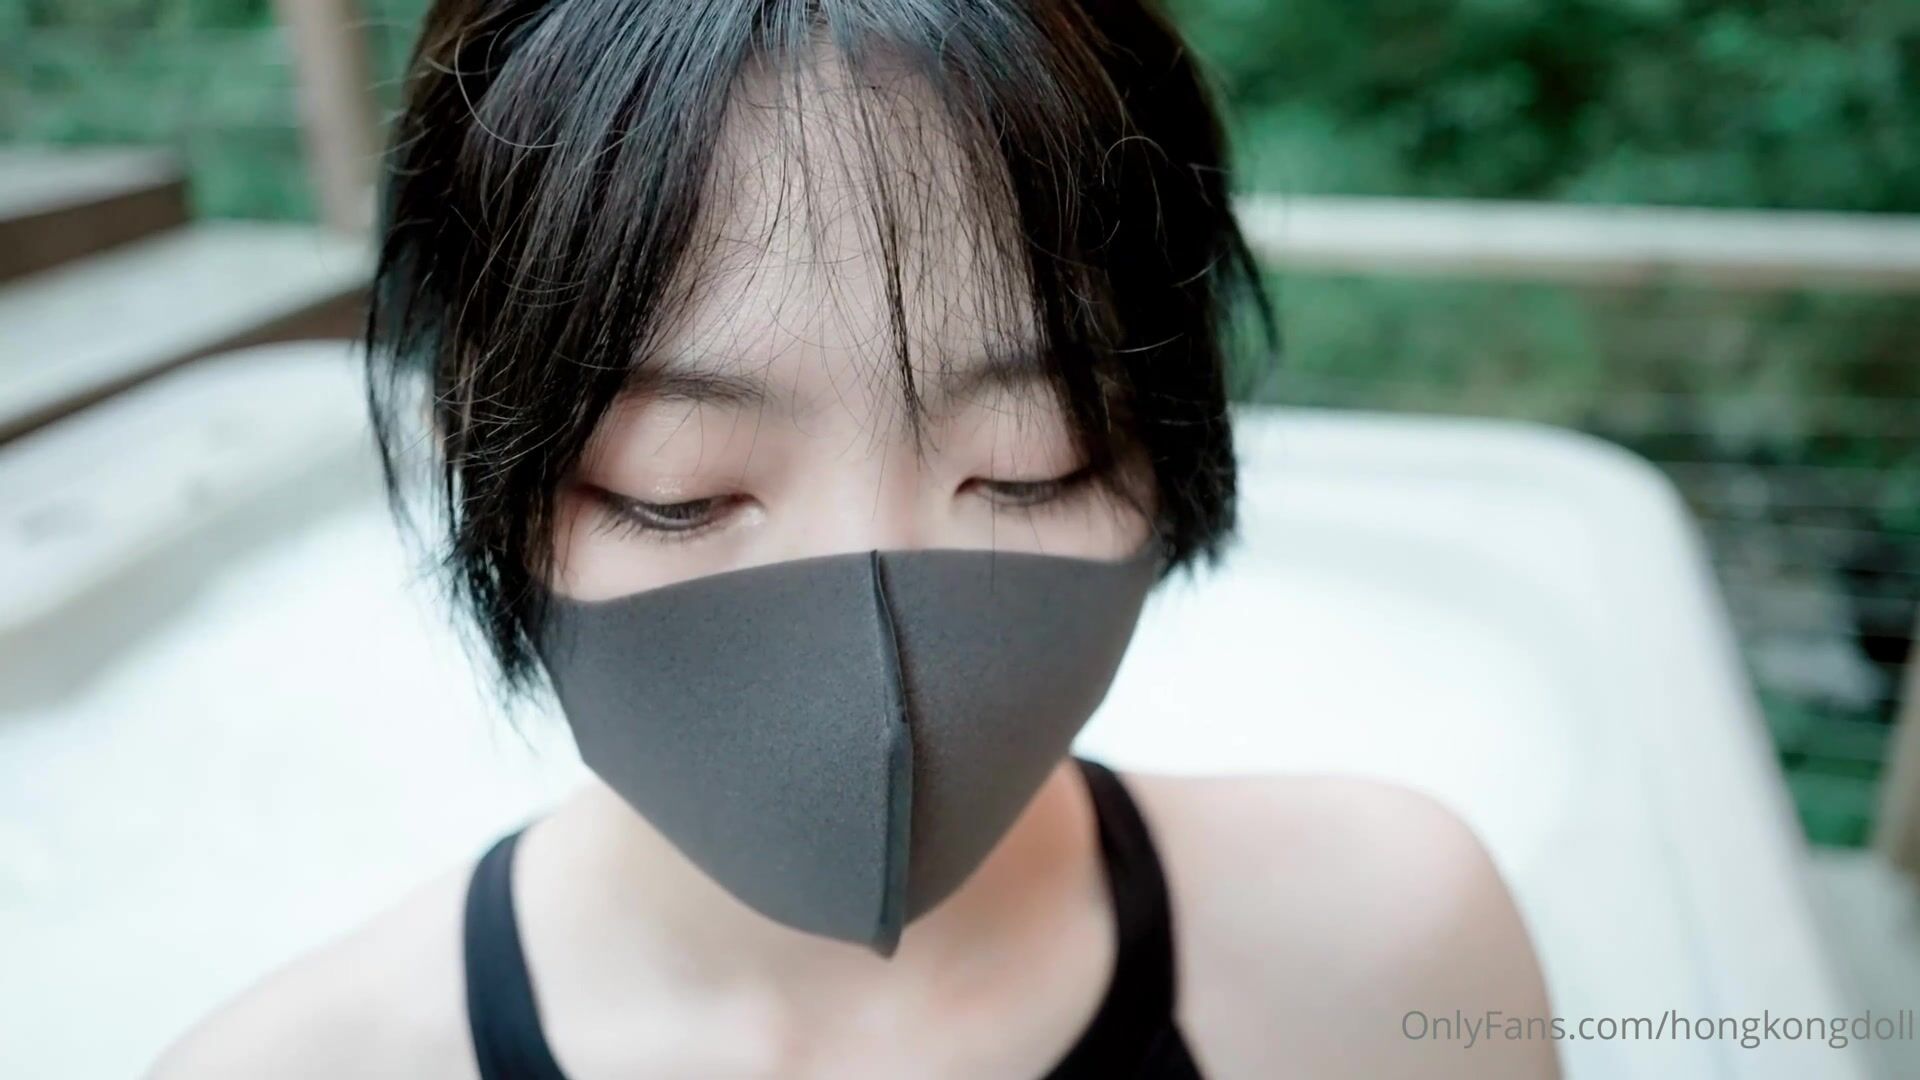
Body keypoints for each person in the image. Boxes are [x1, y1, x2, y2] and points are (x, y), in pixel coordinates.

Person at [152, 0, 1557, 1075]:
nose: (878, 686)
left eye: (1032, 464)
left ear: (1171, 442)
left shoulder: (1387, 954)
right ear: (483, 461)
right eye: (678, 487)